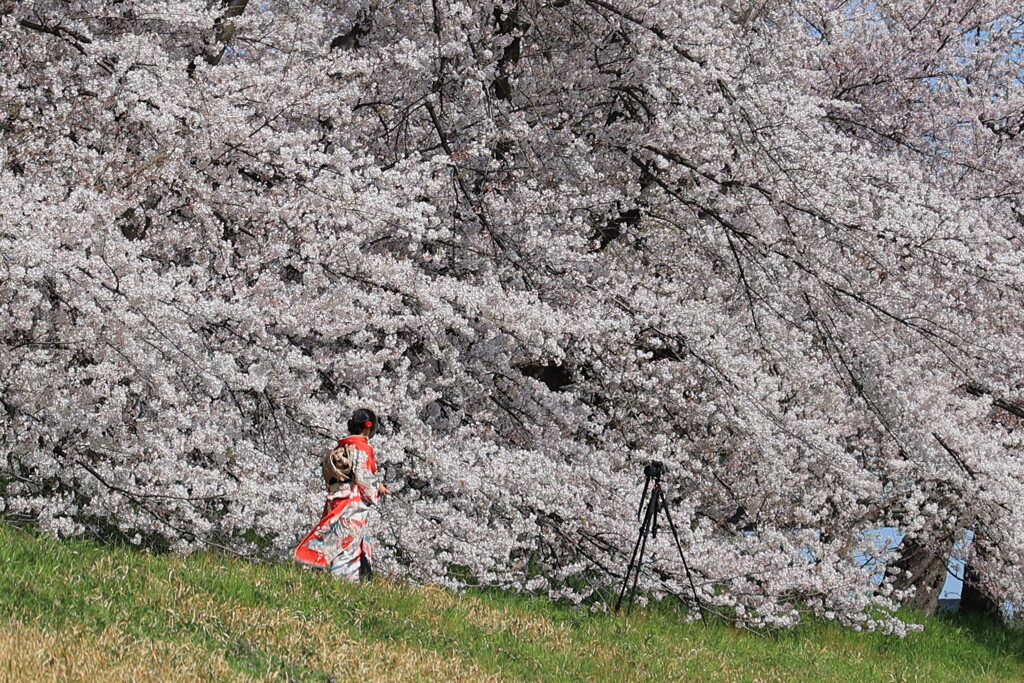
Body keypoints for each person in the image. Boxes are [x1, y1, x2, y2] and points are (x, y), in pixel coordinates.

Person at [294, 408, 388, 580]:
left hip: (337, 498)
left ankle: (321, 570)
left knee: (333, 537)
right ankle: (346, 580)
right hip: (352, 504)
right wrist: (377, 488)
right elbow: (363, 478)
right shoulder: (362, 447)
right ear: (368, 428)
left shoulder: (342, 446)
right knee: (348, 540)